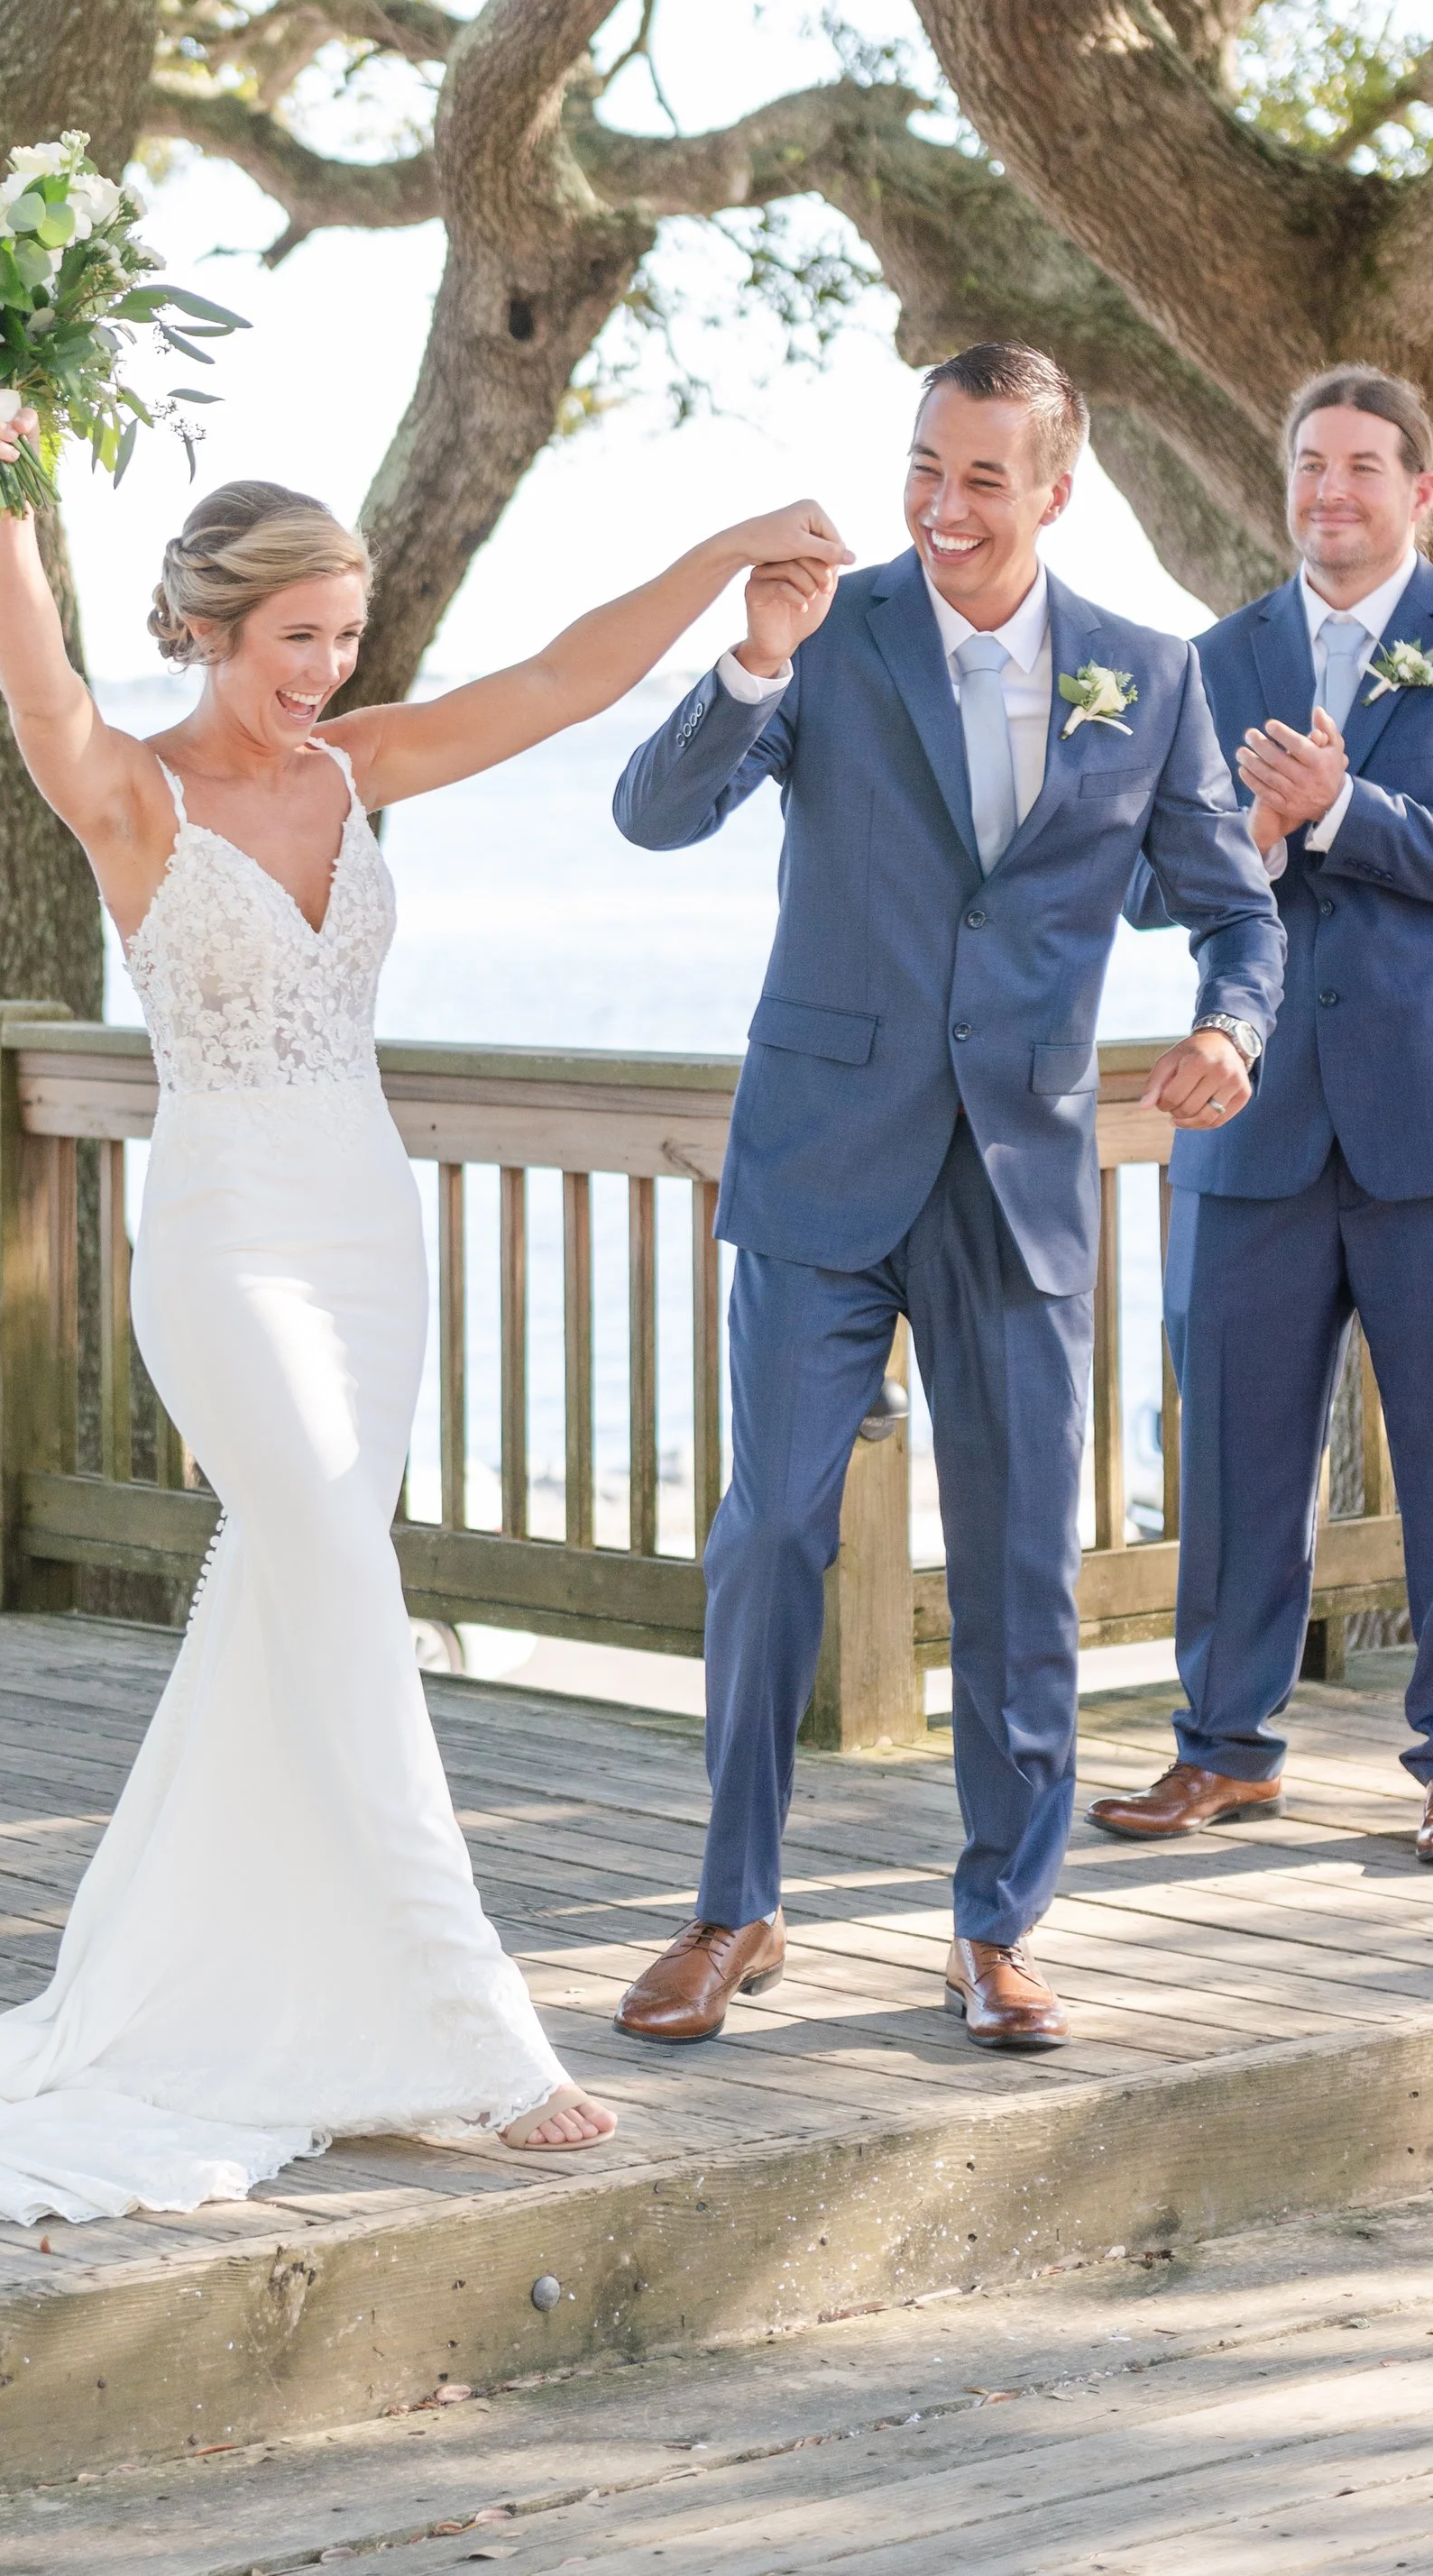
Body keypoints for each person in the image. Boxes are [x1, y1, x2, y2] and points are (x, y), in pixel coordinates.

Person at [0, 408, 850, 2223]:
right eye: (294, 643)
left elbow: (567, 680)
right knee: (343, 1584)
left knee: (292, 1613)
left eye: (342, 641)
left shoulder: (358, 769)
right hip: (224, 1241)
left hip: (365, 1234)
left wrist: (728, 546)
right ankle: (477, 2034)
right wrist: (9, 512)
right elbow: (30, 690)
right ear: (207, 629)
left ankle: (279, 2002)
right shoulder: (131, 791)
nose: (323, 676)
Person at [608, 344, 1283, 2055]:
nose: (945, 504)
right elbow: (653, 815)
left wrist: (1231, 1025)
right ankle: (733, 1907)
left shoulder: (1150, 670)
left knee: (1016, 1573)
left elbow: (1235, 909)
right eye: (928, 466)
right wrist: (751, 661)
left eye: (986, 477)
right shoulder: (828, 632)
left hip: (1021, 1177)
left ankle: (1000, 1925)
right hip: (822, 1161)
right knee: (771, 1531)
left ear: (1056, 490)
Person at [1092, 367, 1433, 1860]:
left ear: (1419, 493)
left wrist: (1348, 817)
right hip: (1255, 1123)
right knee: (1230, 1452)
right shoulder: (1205, 660)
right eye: (1311, 465)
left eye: (1365, 466)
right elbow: (1147, 881)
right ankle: (1224, 1748)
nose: (1332, 491)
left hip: (1426, 1131)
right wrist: (1255, 830)